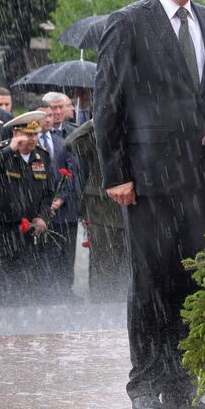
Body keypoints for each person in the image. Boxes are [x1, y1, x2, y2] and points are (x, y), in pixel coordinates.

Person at [95, 0, 205, 409]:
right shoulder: (128, 24)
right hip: (149, 179)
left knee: (195, 279)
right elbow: (108, 104)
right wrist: (116, 172)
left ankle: (185, 377)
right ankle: (146, 378)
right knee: (151, 281)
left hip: (201, 179)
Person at [0, 111, 57, 303]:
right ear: (17, 134)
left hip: (24, 227)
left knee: (23, 277)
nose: (33, 139)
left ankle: (20, 320)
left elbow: (48, 193)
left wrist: (43, 216)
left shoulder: (41, 156)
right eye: (28, 135)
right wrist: (9, 150)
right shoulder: (0, 151)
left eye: (35, 134)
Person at [64, 117, 128, 302]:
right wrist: (96, 118)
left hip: (130, 207)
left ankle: (125, 307)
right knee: (104, 266)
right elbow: (71, 143)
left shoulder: (135, 124)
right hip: (102, 211)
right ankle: (102, 309)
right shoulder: (99, 130)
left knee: (130, 266)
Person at [36, 94, 78, 299]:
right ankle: (46, 295)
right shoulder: (30, 141)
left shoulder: (63, 141)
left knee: (66, 256)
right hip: (41, 211)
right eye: (48, 113)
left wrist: (60, 199)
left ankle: (65, 294)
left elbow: (73, 171)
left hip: (65, 209)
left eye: (55, 112)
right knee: (46, 257)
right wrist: (44, 205)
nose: (52, 117)